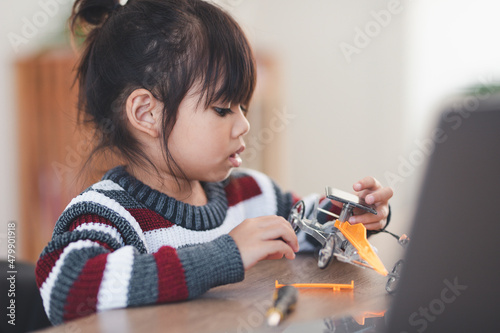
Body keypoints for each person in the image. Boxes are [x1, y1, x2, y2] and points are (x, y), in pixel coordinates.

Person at [35, 0, 393, 325]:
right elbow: (67, 290)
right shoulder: (106, 215)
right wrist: (225, 255)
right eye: (222, 109)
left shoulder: (250, 194)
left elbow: (305, 227)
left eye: (243, 107)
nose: (244, 124)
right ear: (147, 113)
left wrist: (354, 215)